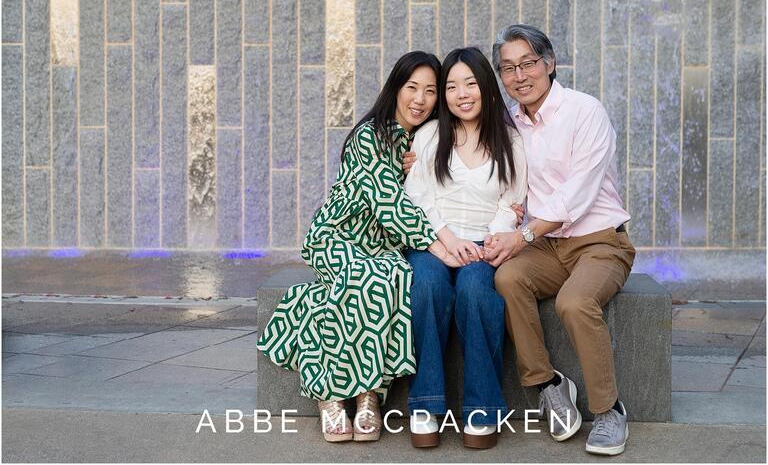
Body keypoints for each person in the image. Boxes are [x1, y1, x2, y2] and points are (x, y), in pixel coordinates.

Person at [257, 51, 460, 443]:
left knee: (395, 275)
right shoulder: (370, 135)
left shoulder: (422, 140)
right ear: (395, 89)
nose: (420, 99)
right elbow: (387, 199)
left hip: (383, 244)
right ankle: (331, 396)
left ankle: (369, 396)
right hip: (337, 236)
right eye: (411, 88)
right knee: (365, 277)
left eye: (430, 91)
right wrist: (435, 243)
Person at [485, 24, 636, 456]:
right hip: (549, 247)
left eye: (528, 63)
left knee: (574, 302)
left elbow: (580, 192)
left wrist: (524, 234)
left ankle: (609, 411)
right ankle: (548, 383)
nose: (519, 76)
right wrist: (416, 152)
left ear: (550, 63)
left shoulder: (584, 111)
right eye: (508, 68)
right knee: (508, 278)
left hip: (600, 241)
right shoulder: (509, 123)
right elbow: (473, 155)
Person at [403, 47, 527, 449]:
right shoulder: (429, 135)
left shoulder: (510, 140)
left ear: (487, 88)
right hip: (435, 241)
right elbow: (418, 195)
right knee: (426, 287)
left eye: (470, 83)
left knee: (476, 291)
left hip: (483, 245)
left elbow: (513, 200)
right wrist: (445, 238)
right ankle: (426, 405)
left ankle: (482, 409)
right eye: (452, 86)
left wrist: (493, 237)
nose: (461, 94)